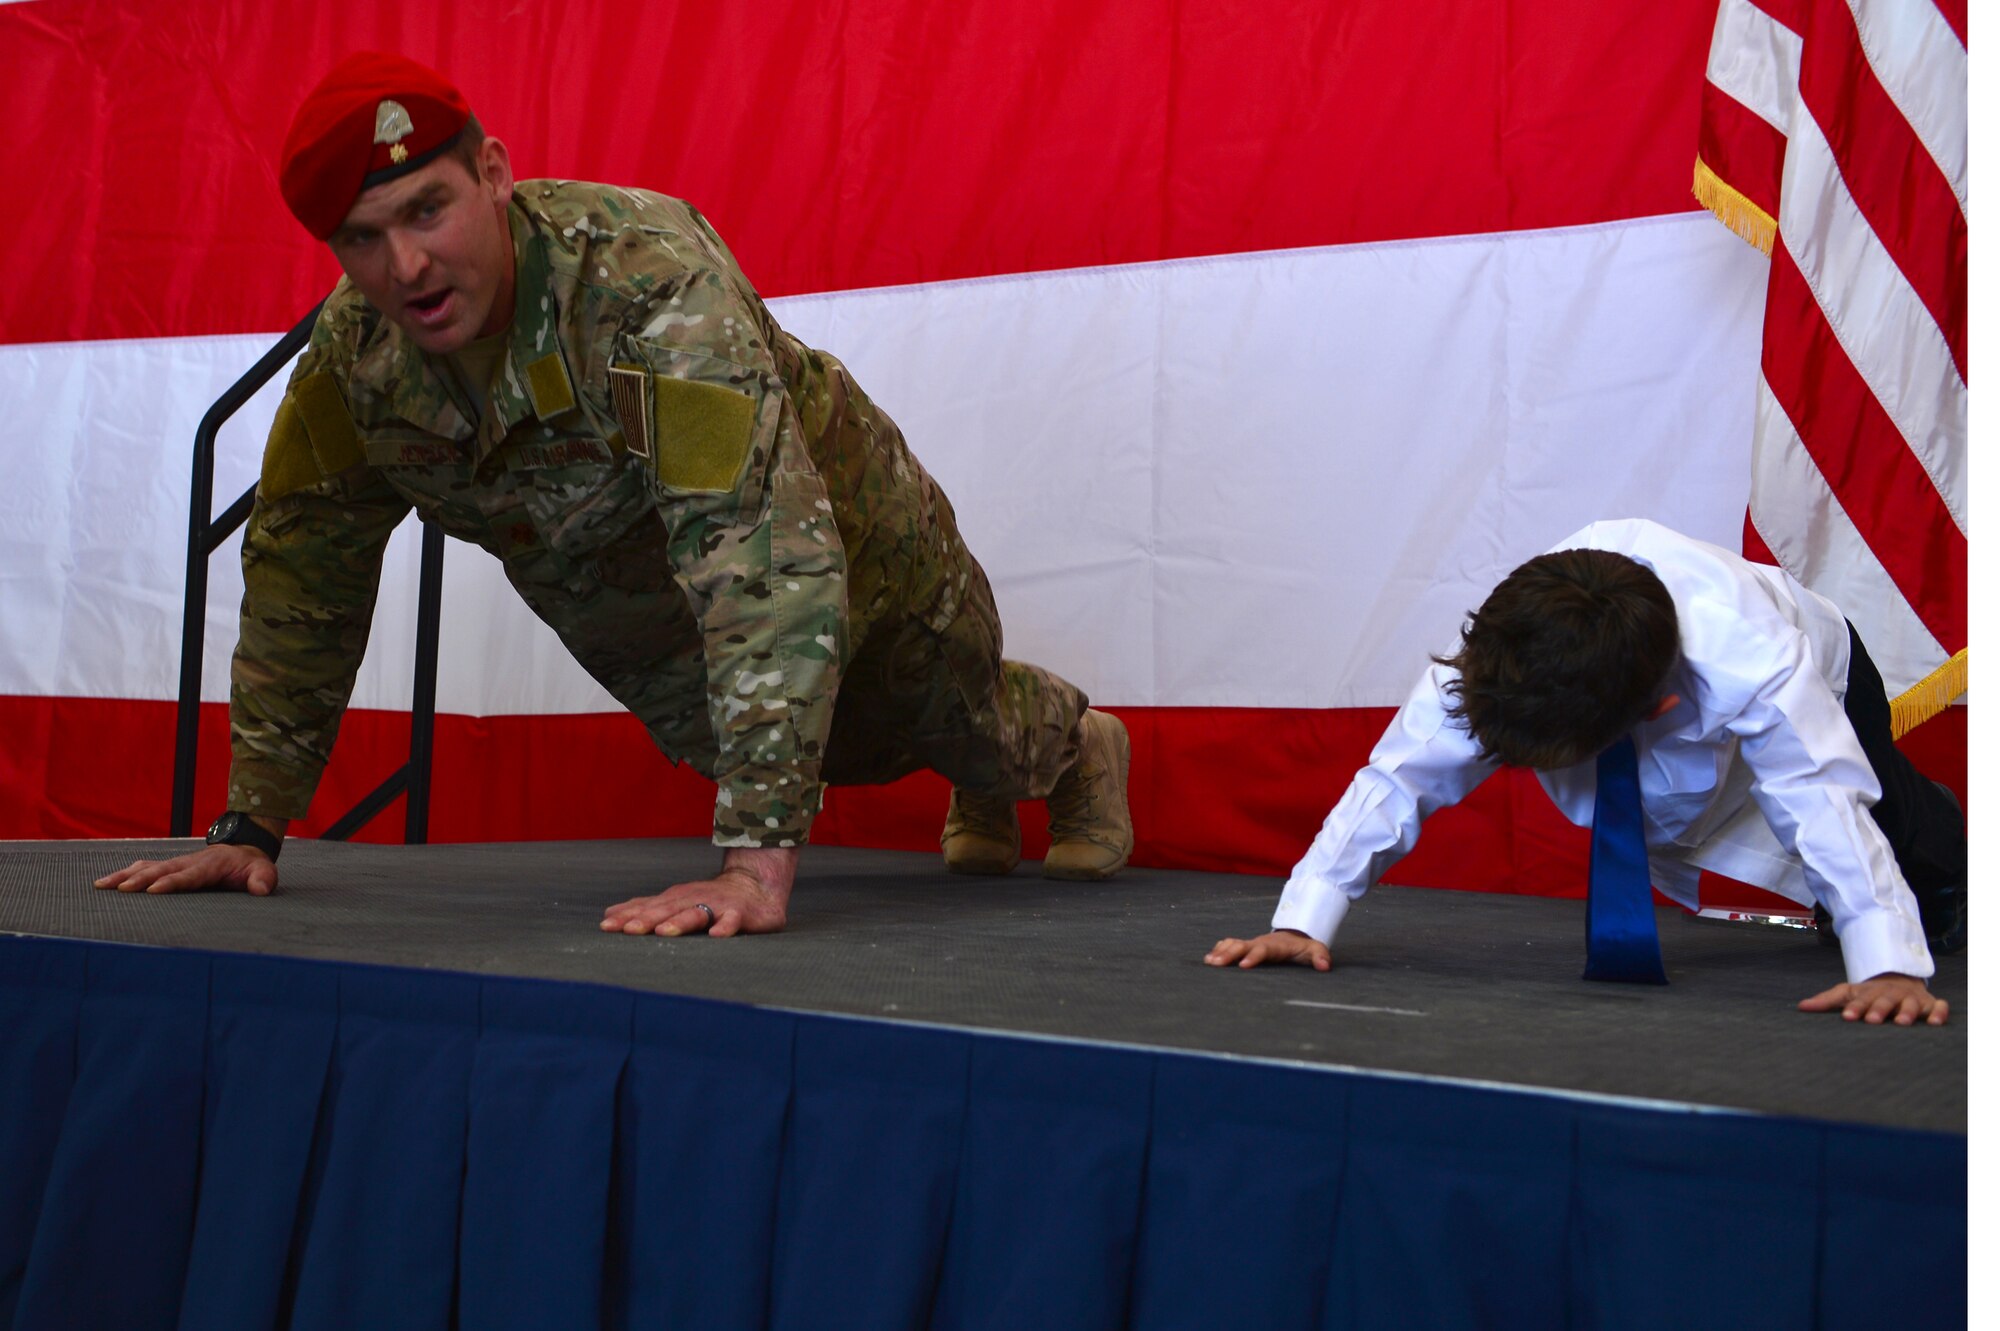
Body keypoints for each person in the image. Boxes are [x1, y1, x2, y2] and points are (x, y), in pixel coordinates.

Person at [95, 51, 1132, 934]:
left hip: (851, 538)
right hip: (664, 614)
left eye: (427, 209)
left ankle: (1069, 743)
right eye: (362, 238)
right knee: (834, 745)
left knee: (943, 708)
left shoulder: (644, 282)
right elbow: (300, 583)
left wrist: (754, 865)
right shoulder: (355, 364)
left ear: (493, 174)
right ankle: (969, 768)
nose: (405, 263)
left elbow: (758, 550)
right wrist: (250, 825)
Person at [1205, 519, 1964, 1027]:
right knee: (1825, 872)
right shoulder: (1504, 657)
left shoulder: (1754, 654)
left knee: (1898, 836)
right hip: (1633, 681)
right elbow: (1396, 781)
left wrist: (1888, 963)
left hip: (1828, 667)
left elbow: (1821, 796)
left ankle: (1947, 837)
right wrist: (1302, 917)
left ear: (1656, 711)